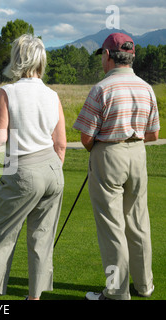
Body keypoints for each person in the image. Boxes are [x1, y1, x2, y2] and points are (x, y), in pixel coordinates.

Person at [73, 33, 160, 300]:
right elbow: (154, 134)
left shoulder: (101, 88)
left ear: (108, 56)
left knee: (112, 228)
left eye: (102, 55)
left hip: (109, 155)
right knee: (138, 222)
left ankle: (116, 292)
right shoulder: (147, 87)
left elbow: (86, 138)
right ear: (131, 56)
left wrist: (104, 147)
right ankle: (145, 286)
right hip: (138, 154)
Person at [0, 34, 67, 300]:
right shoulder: (53, 94)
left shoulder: (9, 91)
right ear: (41, 60)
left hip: (23, 169)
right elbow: (61, 143)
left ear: (17, 59)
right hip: (53, 170)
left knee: (1, 239)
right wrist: (50, 171)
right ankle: (34, 297)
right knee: (41, 241)